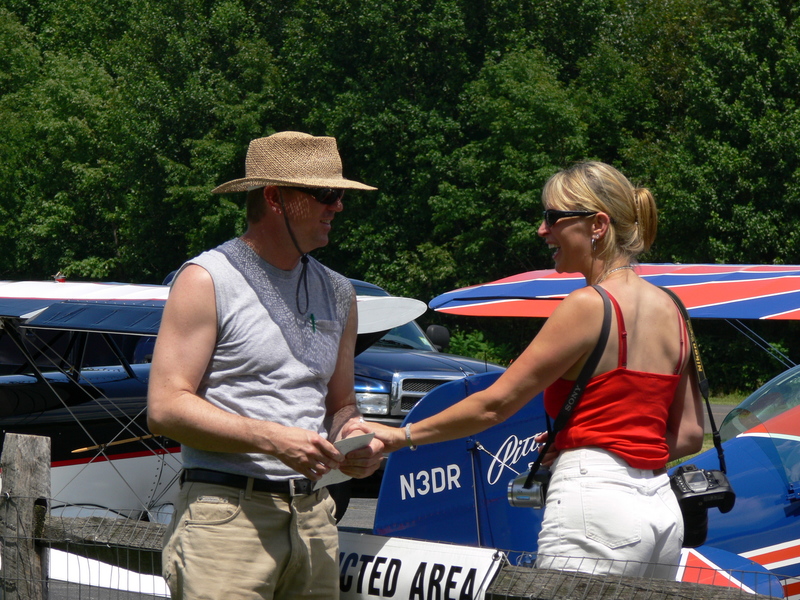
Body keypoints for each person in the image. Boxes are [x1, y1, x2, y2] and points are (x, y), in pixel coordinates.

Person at [370, 161, 705, 578]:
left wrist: (400, 436)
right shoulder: (674, 309)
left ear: (597, 225)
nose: (542, 230)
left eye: (553, 217)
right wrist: (604, 443)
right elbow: (689, 434)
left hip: (596, 503)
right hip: (661, 508)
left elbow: (493, 406)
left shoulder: (588, 305)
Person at [147, 131, 384, 599]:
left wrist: (357, 438)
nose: (338, 206)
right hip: (226, 518)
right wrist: (274, 439)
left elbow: (340, 405)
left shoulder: (340, 292)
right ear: (275, 198)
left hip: (315, 518)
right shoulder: (206, 279)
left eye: (340, 195)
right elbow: (165, 408)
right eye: (326, 194)